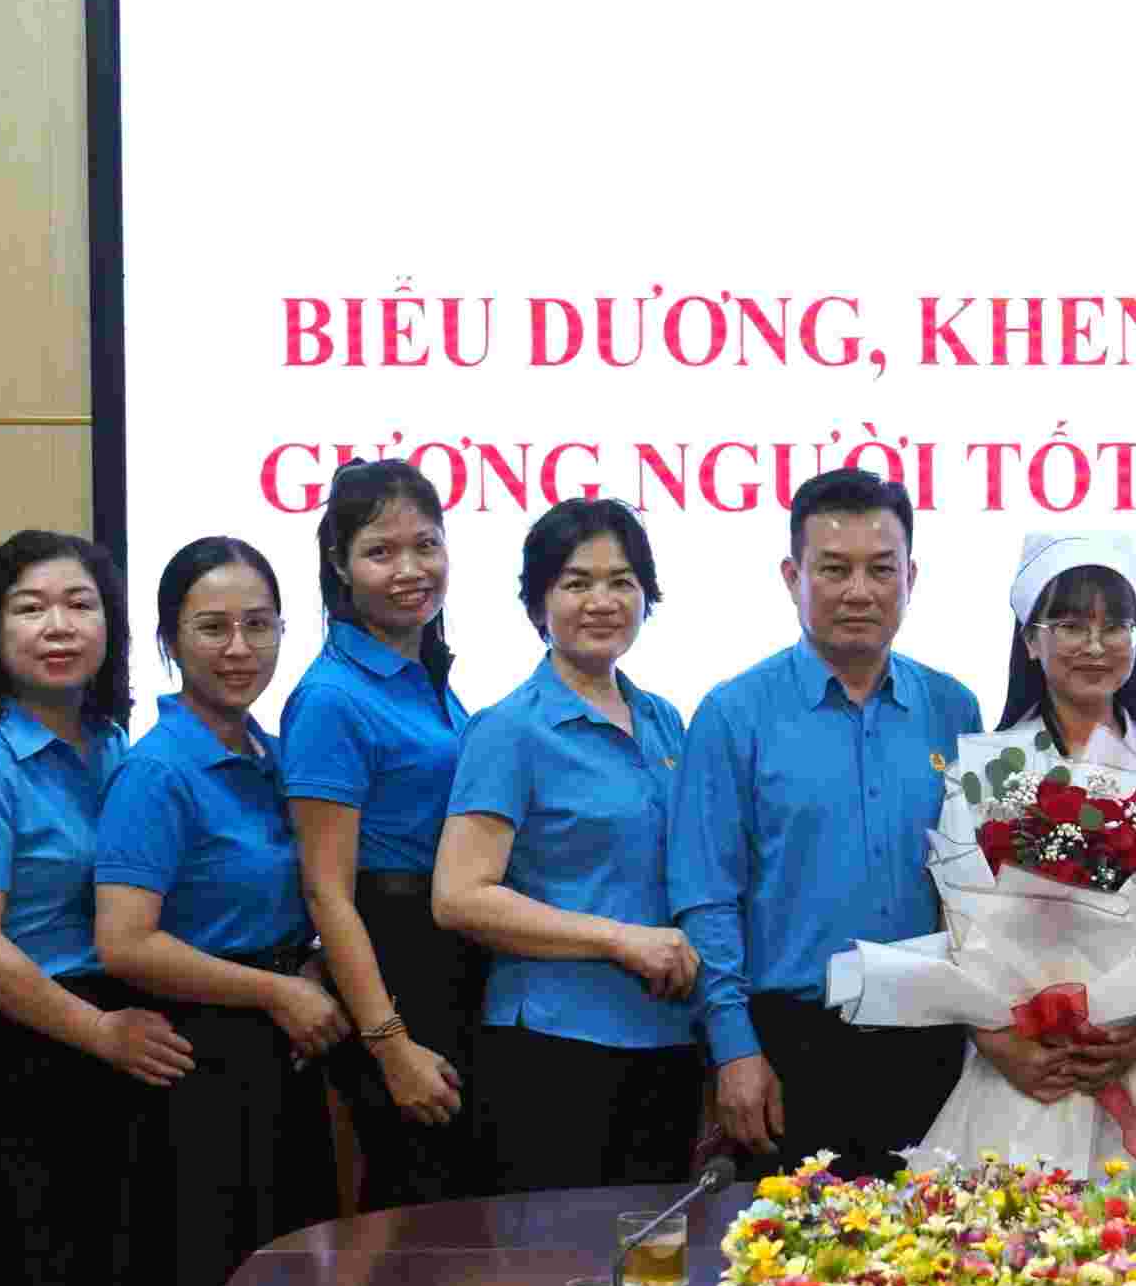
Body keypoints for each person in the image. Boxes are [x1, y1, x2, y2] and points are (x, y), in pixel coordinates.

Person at [670, 467, 984, 1181]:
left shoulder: (954, 709)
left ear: (911, 575)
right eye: (833, 569)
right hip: (789, 1045)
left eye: (880, 569)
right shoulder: (732, 715)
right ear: (791, 575)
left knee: (930, 1271)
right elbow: (704, 897)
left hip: (927, 1039)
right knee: (783, 1275)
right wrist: (735, 1050)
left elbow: (975, 890)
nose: (859, 591)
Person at [93, 536, 347, 1286]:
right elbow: (124, 942)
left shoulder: (268, 753)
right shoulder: (159, 769)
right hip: (197, 1061)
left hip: (280, 1046)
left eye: (258, 624)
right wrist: (277, 991)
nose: (238, 649)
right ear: (169, 641)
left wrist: (302, 969)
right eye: (211, 628)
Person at [0, 530, 170, 1286]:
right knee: (35, 1285)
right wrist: (99, 1034)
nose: (58, 626)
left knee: (114, 1282)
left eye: (80, 605)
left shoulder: (113, 743)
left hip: (111, 1037)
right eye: (29, 609)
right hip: (18, 1047)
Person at [916, 529, 1136, 1176]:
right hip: (1023, 1070)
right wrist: (1000, 1041)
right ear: (1028, 638)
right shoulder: (987, 767)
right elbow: (956, 923)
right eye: (1072, 624)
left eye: (1117, 625)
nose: (1097, 645)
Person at [435, 499, 702, 1192]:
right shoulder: (510, 729)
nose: (602, 600)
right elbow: (459, 897)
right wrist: (620, 939)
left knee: (654, 1276)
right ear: (537, 604)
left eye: (621, 580)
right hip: (552, 1048)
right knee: (554, 1278)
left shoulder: (664, 720)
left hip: (666, 1042)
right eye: (575, 582)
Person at [283, 459, 479, 1207]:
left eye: (425, 545)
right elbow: (326, 891)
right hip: (389, 962)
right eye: (380, 551)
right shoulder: (332, 696)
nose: (410, 569)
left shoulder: (424, 673)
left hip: (446, 956)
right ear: (339, 564)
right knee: (414, 1215)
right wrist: (389, 1043)